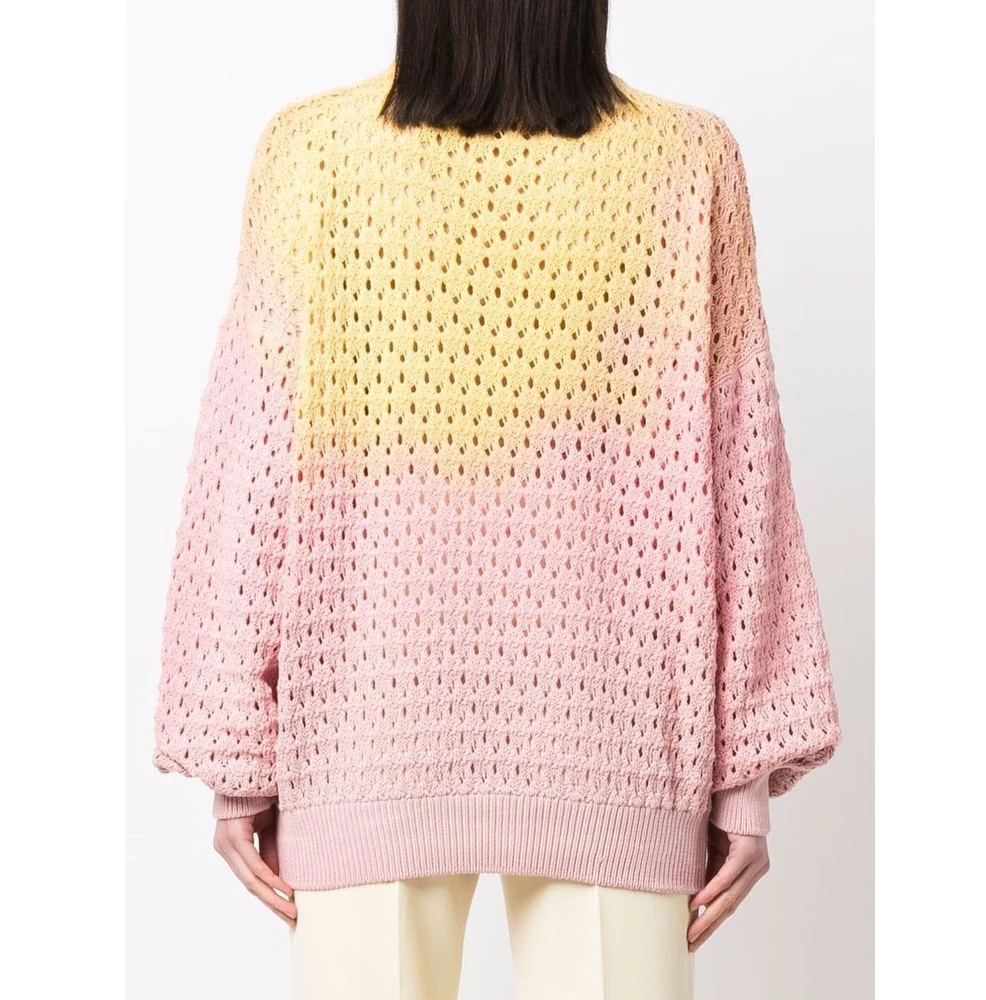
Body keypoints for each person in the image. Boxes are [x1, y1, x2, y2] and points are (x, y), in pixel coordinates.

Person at [152, 2, 842, 996]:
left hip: (368, 728)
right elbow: (743, 478)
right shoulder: (686, 158)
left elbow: (248, 471)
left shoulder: (315, 152)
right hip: (618, 738)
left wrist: (237, 754)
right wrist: (740, 775)